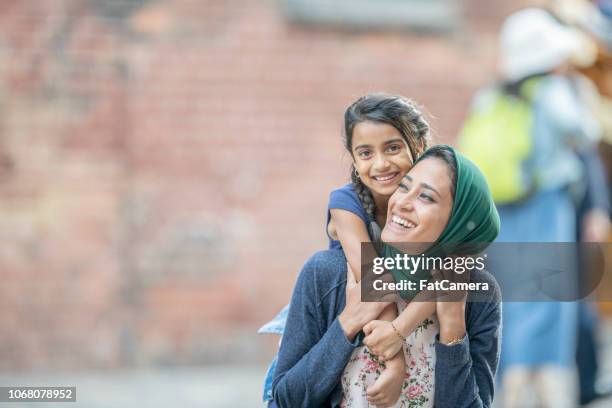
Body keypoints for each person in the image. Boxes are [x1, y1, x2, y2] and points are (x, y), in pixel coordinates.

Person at [272, 145, 502, 408]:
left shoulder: (478, 291)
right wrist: (347, 323)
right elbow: (286, 400)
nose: (402, 202)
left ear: (459, 221)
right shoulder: (328, 272)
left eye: (425, 197)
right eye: (403, 187)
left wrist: (452, 328)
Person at [260, 93, 432, 405]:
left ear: (418, 146)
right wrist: (396, 363)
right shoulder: (346, 202)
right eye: (366, 153)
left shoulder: (435, 204)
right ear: (353, 159)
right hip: (332, 327)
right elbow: (374, 282)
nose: (381, 163)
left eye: (393, 148)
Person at [477, 8, 601, 408]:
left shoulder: (494, 94)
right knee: (548, 295)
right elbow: (586, 131)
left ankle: (507, 383)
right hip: (547, 204)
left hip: (503, 208)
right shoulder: (552, 91)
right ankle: (540, 390)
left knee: (511, 294)